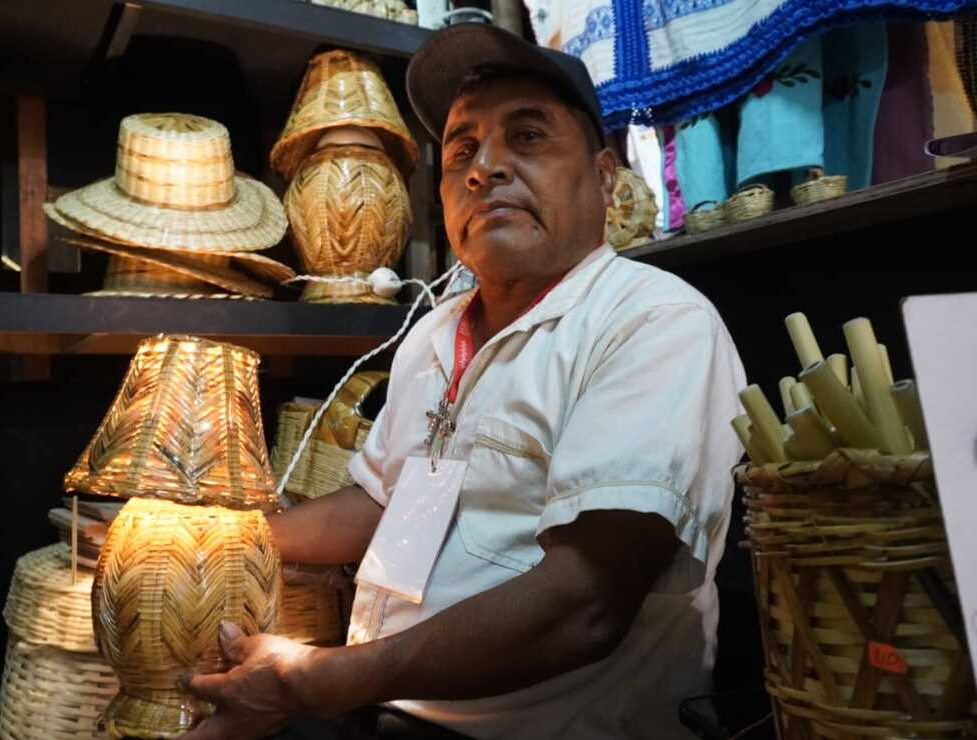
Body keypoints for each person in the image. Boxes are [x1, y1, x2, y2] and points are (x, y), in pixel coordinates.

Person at [182, 22, 746, 740]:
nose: (485, 168)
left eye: (529, 137)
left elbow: (585, 606)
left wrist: (317, 680)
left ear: (605, 177)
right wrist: (219, 535)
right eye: (461, 150)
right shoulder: (432, 334)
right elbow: (384, 503)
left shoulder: (654, 323)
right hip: (383, 707)